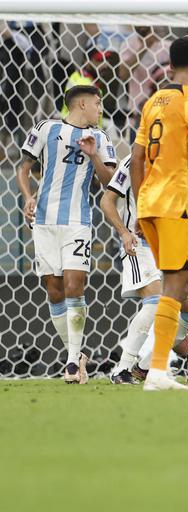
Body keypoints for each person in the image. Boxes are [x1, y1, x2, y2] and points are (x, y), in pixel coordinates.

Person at [130, 36, 188, 392]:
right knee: (177, 285)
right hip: (176, 204)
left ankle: (154, 368)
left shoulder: (153, 101)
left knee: (174, 287)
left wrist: (140, 205)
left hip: (150, 202)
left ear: (169, 64)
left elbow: (136, 160)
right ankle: (156, 371)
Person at [16, 85, 117, 383]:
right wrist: (27, 197)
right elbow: (23, 169)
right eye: (98, 104)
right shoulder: (46, 129)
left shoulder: (100, 138)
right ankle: (77, 354)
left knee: (74, 285)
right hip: (45, 221)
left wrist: (94, 155)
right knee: (54, 289)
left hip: (77, 220)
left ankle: (72, 361)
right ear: (82, 104)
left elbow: (110, 180)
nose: (100, 109)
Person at [100, 154, 188, 384]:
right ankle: (122, 368)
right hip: (139, 247)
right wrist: (124, 233)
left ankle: (144, 365)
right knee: (155, 301)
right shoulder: (133, 162)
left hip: (170, 246)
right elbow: (106, 201)